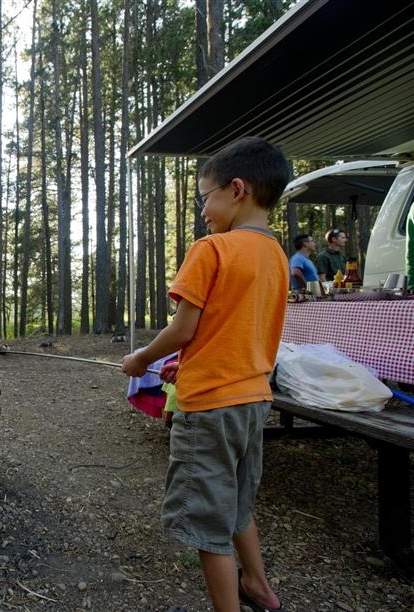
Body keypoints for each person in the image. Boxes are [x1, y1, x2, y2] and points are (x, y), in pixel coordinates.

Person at [121, 136, 287, 612]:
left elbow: (183, 328)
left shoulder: (212, 249)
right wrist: (187, 358)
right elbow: (226, 330)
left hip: (210, 406)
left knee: (207, 520)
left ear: (237, 189)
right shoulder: (277, 255)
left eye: (204, 198)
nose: (202, 211)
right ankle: (257, 585)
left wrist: (140, 359)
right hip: (254, 400)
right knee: (236, 502)